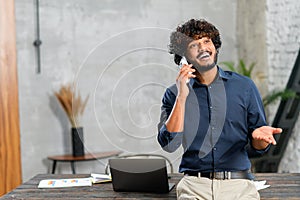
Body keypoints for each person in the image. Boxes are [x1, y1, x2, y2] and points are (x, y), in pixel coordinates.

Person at [157, 18, 282, 200]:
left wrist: (260, 139)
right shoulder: (173, 94)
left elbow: (258, 147)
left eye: (206, 41)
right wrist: (182, 96)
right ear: (183, 57)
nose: (203, 48)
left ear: (214, 46)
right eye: (194, 44)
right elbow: (169, 143)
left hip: (239, 186)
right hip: (194, 186)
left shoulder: (244, 87)